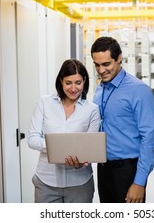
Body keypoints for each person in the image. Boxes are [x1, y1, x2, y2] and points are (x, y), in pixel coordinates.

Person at [90, 36, 154, 203]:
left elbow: (149, 139)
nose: (101, 70)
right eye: (97, 65)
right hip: (104, 169)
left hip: (128, 171)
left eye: (106, 64)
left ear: (119, 58)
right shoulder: (100, 90)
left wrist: (139, 182)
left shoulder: (139, 90)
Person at [27, 59, 101, 203]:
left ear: (84, 81)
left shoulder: (92, 110)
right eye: (68, 83)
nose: (73, 88)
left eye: (78, 83)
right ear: (61, 81)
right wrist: (58, 148)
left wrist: (82, 159)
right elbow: (32, 138)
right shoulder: (45, 103)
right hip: (46, 182)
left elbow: (91, 146)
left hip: (79, 183)